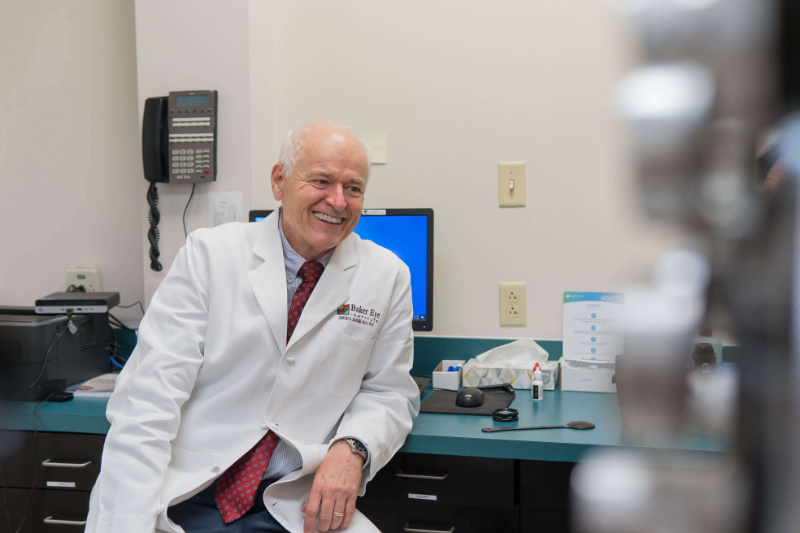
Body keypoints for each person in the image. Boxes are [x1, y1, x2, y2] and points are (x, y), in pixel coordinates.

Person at [85, 122, 420, 533]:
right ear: (280, 181)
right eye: (321, 180)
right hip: (190, 490)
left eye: (353, 188)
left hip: (294, 498)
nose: (337, 200)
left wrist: (353, 448)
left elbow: (389, 391)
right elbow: (149, 400)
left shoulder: (387, 276)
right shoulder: (209, 256)